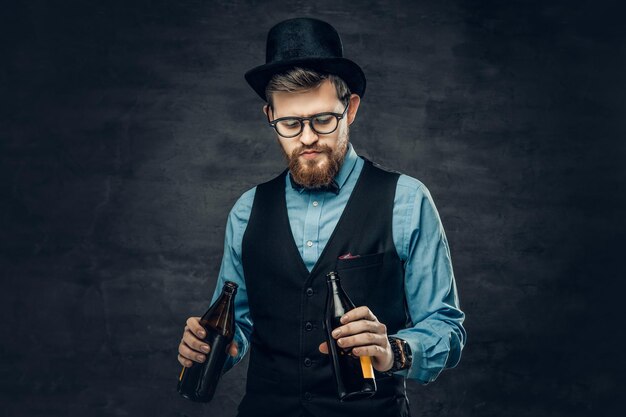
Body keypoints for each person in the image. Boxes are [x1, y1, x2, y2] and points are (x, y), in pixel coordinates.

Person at [177, 17, 466, 417]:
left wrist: (393, 350)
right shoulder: (246, 211)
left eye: (322, 120)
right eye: (291, 123)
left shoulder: (407, 200)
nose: (308, 137)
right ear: (269, 118)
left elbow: (446, 327)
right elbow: (237, 326)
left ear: (350, 110)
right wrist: (212, 347)